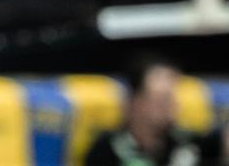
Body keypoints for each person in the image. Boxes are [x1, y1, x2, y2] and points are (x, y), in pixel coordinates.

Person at [85, 57, 228, 165]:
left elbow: (220, 145)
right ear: (135, 101)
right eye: (162, 99)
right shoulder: (107, 148)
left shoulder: (187, 143)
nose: (170, 106)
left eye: (172, 98)